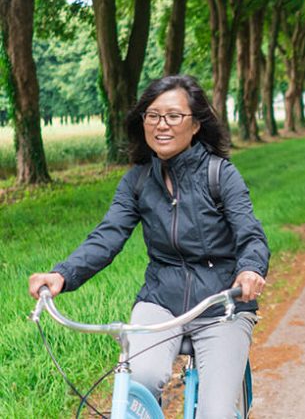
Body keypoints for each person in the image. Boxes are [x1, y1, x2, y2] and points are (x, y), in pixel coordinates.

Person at [28, 75, 270, 416]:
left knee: (215, 412)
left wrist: (250, 269)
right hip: (161, 300)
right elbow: (107, 235)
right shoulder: (137, 181)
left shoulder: (221, 175)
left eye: (173, 116)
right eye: (152, 116)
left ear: (196, 124)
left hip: (222, 305)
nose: (161, 125)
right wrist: (61, 275)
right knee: (136, 383)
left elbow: (250, 232)